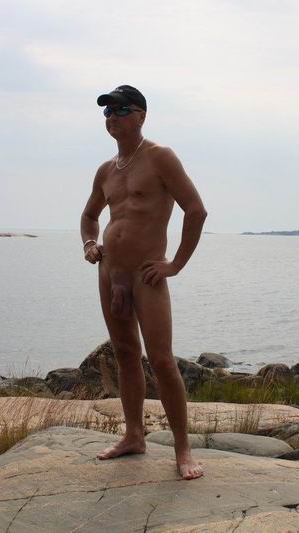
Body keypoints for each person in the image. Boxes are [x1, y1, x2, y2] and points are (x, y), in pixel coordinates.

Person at [80, 85, 208, 480]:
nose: (112, 118)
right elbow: (89, 216)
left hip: (146, 274)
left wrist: (175, 265)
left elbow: (196, 211)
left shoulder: (159, 157)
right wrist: (89, 244)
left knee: (162, 359)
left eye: (121, 110)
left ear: (141, 115)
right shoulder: (106, 170)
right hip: (110, 273)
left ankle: (182, 450)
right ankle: (133, 436)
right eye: (107, 112)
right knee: (124, 353)